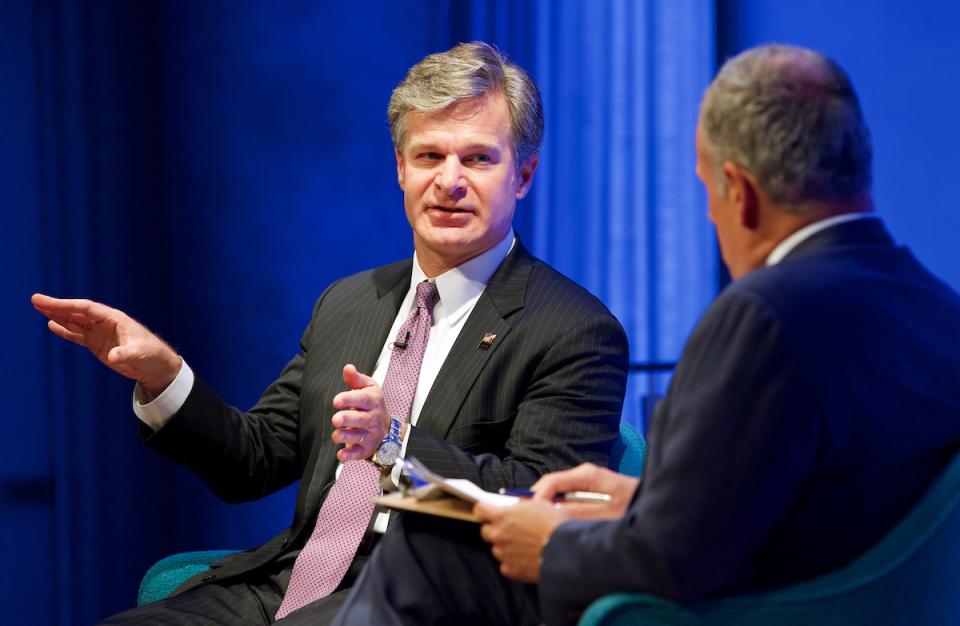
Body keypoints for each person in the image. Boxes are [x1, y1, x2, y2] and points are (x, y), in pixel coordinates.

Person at [330, 43, 960, 626]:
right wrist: (644, 500)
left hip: (744, 610)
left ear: (737, 192)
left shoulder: (765, 315)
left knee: (432, 543)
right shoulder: (938, 309)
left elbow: (675, 562)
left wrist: (550, 542)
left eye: (707, 190)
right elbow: (817, 506)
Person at [31, 41, 629, 624]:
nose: (449, 180)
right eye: (428, 157)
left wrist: (396, 443)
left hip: (428, 595)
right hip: (291, 582)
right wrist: (162, 374)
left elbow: (539, 504)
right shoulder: (349, 301)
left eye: (477, 158)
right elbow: (253, 461)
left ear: (523, 174)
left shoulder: (574, 328)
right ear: (400, 168)